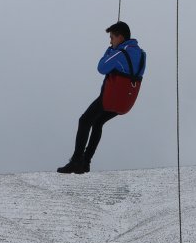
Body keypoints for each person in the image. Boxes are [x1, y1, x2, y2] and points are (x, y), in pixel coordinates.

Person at [58, 22, 147, 174]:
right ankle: (86, 162)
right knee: (98, 122)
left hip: (111, 98)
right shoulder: (142, 54)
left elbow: (101, 67)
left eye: (112, 37)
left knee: (84, 120)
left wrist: (110, 51)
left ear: (120, 37)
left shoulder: (119, 53)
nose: (110, 41)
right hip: (126, 102)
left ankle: (77, 161)